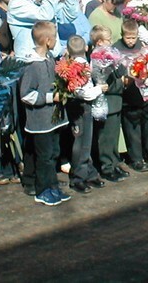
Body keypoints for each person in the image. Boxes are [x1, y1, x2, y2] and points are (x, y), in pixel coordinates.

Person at [19, 21, 72, 206]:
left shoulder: (49, 58)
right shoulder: (32, 65)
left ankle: (53, 186)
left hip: (53, 119)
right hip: (40, 123)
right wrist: (51, 98)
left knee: (54, 153)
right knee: (45, 157)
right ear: (48, 40)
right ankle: (42, 190)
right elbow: (26, 95)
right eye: (55, 38)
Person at [114, 19, 148, 170]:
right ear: (122, 35)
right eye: (128, 38)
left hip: (147, 96)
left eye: (133, 38)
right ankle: (136, 159)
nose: (131, 41)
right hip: (129, 95)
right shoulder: (116, 49)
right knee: (133, 129)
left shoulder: (143, 47)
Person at [63, 35, 108, 194]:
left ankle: (89, 172)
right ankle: (78, 177)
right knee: (81, 143)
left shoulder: (78, 63)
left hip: (82, 107)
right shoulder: (77, 67)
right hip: (80, 107)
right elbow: (82, 92)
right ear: (87, 48)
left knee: (85, 142)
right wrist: (99, 89)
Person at [7, 0, 78, 58]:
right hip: (30, 62)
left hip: (51, 60)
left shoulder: (47, 0)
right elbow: (46, 15)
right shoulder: (17, 3)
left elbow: (70, 15)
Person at [89, 25, 130, 183]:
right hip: (107, 101)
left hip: (116, 101)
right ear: (99, 42)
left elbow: (119, 72)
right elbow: (104, 81)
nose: (111, 42)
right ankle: (107, 166)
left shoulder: (109, 55)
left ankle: (114, 162)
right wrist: (120, 84)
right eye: (108, 40)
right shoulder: (97, 58)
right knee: (106, 138)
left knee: (113, 137)